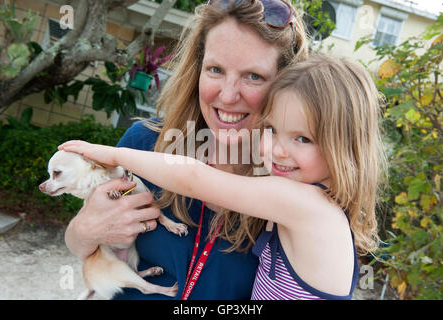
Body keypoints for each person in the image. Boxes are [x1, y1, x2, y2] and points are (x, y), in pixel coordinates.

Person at [60, 54, 387, 300]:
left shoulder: (306, 204)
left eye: (303, 138)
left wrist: (114, 155)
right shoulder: (308, 202)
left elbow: (194, 178)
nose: (278, 150)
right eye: (272, 129)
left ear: (344, 147)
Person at [64, 0, 308, 299]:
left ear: (286, 85)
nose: (228, 96)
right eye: (216, 69)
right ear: (197, 71)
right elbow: (83, 249)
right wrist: (84, 231)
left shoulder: (295, 183)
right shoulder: (143, 144)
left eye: (253, 76)